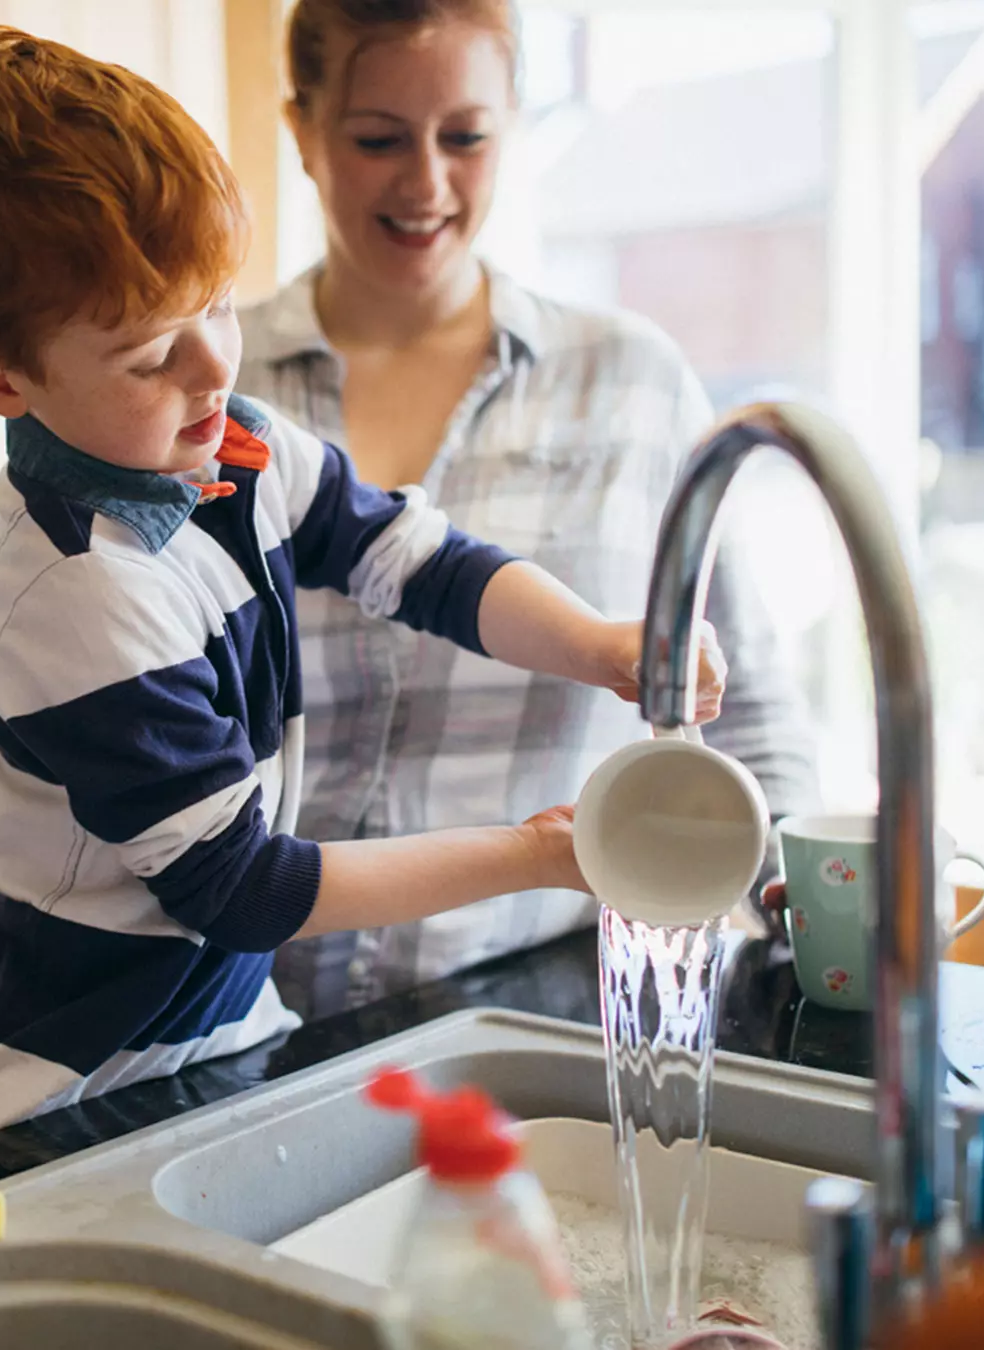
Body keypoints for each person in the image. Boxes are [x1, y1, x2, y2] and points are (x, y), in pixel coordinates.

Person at [0, 26, 725, 1140]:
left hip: (218, 1043)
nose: (213, 367)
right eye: (148, 354)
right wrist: (536, 857)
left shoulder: (229, 446)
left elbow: (422, 563)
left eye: (218, 306)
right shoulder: (79, 599)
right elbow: (247, 890)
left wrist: (603, 645)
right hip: (72, 1084)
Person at [236, 0, 821, 1017]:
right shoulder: (211, 391)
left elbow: (752, 719)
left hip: (552, 1004)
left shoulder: (633, 383)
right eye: (377, 138)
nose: (425, 185)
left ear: (514, 123)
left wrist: (805, 920)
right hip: (247, 1021)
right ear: (303, 131)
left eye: (465, 137)